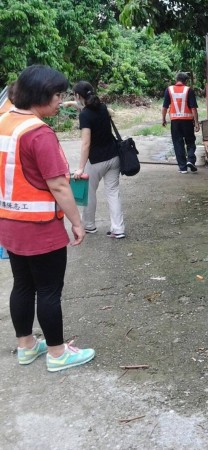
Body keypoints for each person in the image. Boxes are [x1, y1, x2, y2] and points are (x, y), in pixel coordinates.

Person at [0, 65, 95, 372]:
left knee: (23, 286)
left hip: (10, 224)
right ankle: (57, 353)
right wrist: (77, 222)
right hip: (40, 228)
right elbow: (58, 184)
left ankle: (26, 346)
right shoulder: (39, 133)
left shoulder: (4, 122)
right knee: (49, 291)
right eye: (57, 95)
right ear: (41, 95)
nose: (60, 100)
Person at [70, 81, 125, 239]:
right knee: (113, 193)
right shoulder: (103, 108)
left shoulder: (85, 115)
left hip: (96, 161)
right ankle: (118, 228)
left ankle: (89, 226)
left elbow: (86, 143)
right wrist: (71, 103)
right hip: (114, 157)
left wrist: (80, 168)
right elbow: (86, 107)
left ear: (78, 96)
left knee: (90, 192)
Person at [161, 72, 200, 174]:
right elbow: (193, 108)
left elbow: (164, 107)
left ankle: (182, 168)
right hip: (187, 121)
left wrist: (163, 119)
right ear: (185, 81)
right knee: (190, 141)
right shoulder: (188, 90)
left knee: (178, 143)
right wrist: (196, 123)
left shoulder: (169, 90)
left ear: (176, 79)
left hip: (175, 122)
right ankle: (191, 160)